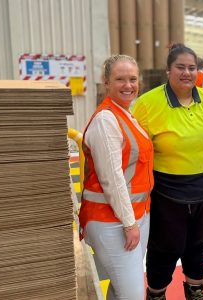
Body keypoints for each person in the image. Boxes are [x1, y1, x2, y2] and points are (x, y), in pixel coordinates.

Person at [132, 44, 203, 300]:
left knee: (198, 246)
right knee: (164, 249)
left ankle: (196, 293)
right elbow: (132, 151)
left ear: (199, 71)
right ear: (168, 70)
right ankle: (156, 294)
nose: (187, 73)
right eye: (180, 67)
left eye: (192, 68)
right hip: (166, 194)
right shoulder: (147, 104)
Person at [78, 55, 153, 300]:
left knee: (121, 289)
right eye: (120, 79)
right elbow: (112, 179)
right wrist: (130, 223)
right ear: (106, 82)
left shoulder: (126, 115)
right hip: (112, 219)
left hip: (134, 215)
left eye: (132, 79)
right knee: (132, 294)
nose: (128, 85)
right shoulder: (106, 120)